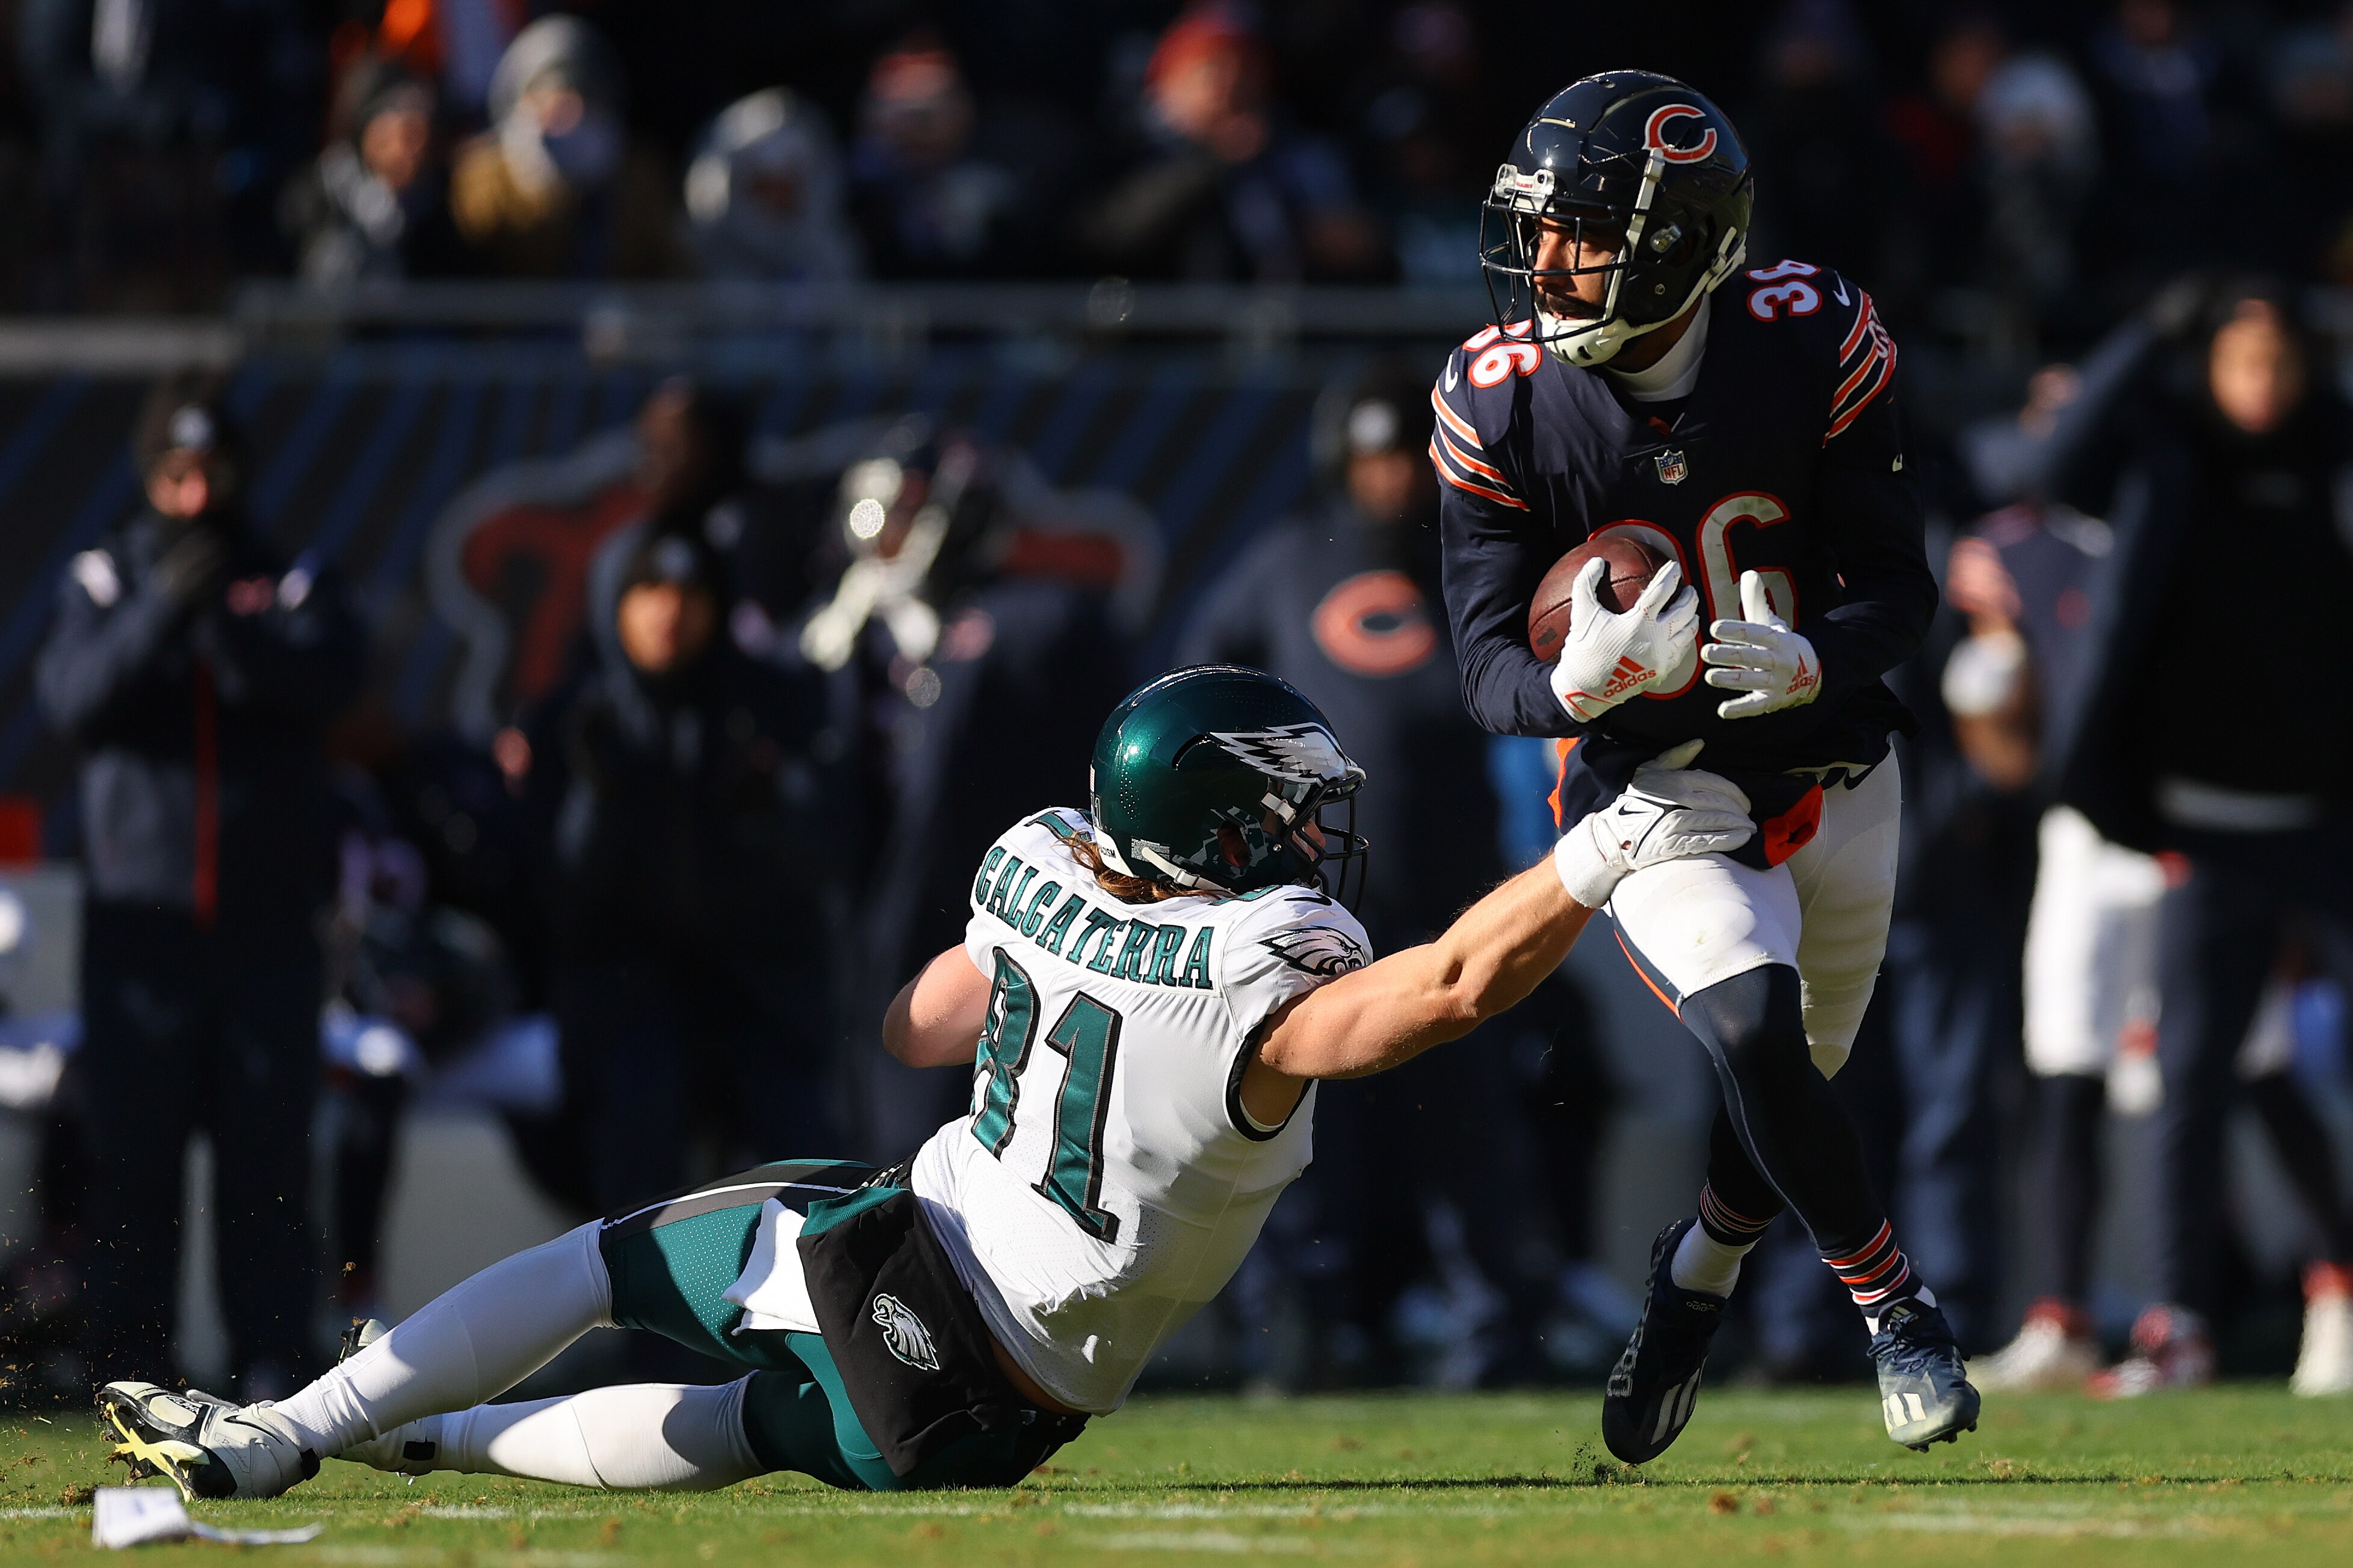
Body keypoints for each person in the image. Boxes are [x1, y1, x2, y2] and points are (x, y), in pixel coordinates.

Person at [94, 665, 1753, 1499]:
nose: (1315, 832)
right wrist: (1603, 848)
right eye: (1289, 801)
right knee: (752, 1425)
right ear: (1217, 818)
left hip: (907, 1255)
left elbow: (916, 1020)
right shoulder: (1263, 971)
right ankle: (418, 1443)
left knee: (615, 1257)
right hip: (1001, 1415)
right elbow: (1452, 985)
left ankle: (288, 1427)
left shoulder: (1043, 858)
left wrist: (1035, 960)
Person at [1432, 72, 1960, 1456]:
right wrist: (1560, 688)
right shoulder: (1499, 404)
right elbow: (1480, 666)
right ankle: (1898, 1315)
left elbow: (1900, 586)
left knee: (1791, 1086)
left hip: (1830, 758)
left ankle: (1693, 1282)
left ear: (1680, 241)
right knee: (1748, 1033)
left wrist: (1822, 658)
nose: (1543, 262)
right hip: (1658, 785)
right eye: (1535, 228)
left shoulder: (1806, 333)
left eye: (1581, 230)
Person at [1175, 361, 1589, 1381]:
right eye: (1372, 458)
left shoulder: (1473, 567)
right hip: (1312, 912)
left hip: (1453, 907)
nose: (1391, 477)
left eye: (1407, 455)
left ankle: (1496, 1327)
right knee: (1301, 1134)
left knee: (1471, 1129)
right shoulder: (1281, 566)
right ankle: (1302, 1330)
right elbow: (1192, 697)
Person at [2035, 279, 2353, 1397]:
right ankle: (2182, 1328)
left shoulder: (2333, 454)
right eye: (2241, 361)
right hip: (2204, 824)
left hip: (2330, 819)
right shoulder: (2169, 458)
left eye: (2281, 362)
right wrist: (2142, 332)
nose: (2264, 384)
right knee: (2190, 1083)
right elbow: (2049, 468)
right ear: (2210, 366)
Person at [36, 375, 365, 1396]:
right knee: (133, 1158)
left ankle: (272, 1359)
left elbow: (331, 681)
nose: (193, 495)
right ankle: (132, 1361)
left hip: (267, 931)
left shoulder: (290, 576)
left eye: (210, 471)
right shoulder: (104, 578)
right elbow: (72, 696)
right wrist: (162, 611)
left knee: (265, 1155)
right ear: (150, 477)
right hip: (144, 938)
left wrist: (225, 621)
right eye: (175, 474)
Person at [521, 522, 840, 1215]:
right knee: (642, 1155)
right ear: (612, 605)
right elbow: (555, 899)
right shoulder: (574, 720)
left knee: (808, 1162)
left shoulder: (770, 705)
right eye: (648, 589)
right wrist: (597, 798)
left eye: (690, 590)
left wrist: (772, 801)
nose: (671, 610)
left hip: (757, 993)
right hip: (625, 997)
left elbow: (830, 861)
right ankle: (650, 1326)